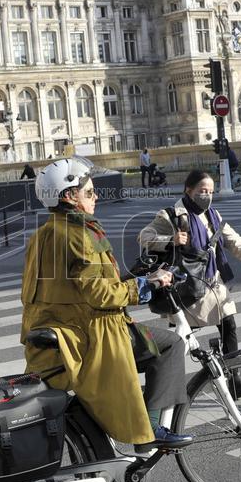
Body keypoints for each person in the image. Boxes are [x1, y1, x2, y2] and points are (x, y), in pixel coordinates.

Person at [22, 157, 190, 452]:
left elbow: (82, 285)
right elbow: (101, 295)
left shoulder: (44, 234)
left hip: (55, 326)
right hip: (91, 333)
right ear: (69, 196)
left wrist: (133, 278)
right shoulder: (80, 235)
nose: (96, 196)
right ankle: (149, 429)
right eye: (89, 192)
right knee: (171, 345)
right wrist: (145, 285)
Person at [139, 170, 241, 384]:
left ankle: (234, 379)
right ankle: (169, 384)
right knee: (180, 341)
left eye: (210, 191)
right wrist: (170, 239)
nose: (207, 196)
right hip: (186, 286)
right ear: (188, 190)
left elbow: (236, 243)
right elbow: (145, 237)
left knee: (228, 324)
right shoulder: (172, 215)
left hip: (212, 281)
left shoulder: (213, 215)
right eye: (202, 191)